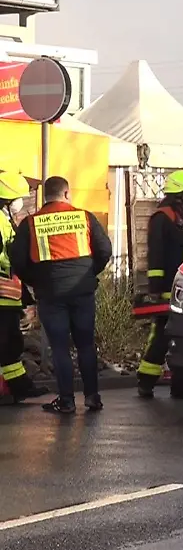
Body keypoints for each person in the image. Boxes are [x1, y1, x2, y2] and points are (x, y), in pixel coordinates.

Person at [9, 175, 113, 414]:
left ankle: (66, 401)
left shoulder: (30, 223)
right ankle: (93, 397)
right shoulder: (84, 217)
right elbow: (105, 249)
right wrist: (88, 272)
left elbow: (18, 260)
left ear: (45, 197)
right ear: (66, 194)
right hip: (82, 291)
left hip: (50, 293)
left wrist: (35, 282)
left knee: (59, 348)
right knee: (86, 345)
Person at [137, 170, 183, 399]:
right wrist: (156, 289)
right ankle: (146, 380)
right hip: (168, 287)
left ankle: (181, 384)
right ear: (181, 193)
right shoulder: (162, 217)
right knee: (162, 334)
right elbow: (156, 256)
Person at [0, 171, 49, 405]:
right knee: (6, 344)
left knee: (10, 345)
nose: (22, 202)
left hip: (7, 296)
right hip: (2, 295)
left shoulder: (6, 221)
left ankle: (20, 387)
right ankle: (19, 388)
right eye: (18, 198)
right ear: (7, 200)